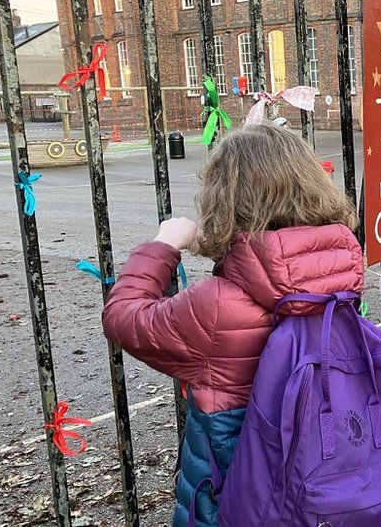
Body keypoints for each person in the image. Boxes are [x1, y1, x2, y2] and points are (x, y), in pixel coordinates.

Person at [102, 124, 363, 526]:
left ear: (225, 199)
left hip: (234, 485)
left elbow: (123, 319)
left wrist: (162, 246)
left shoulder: (217, 303)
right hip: (323, 472)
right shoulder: (340, 268)